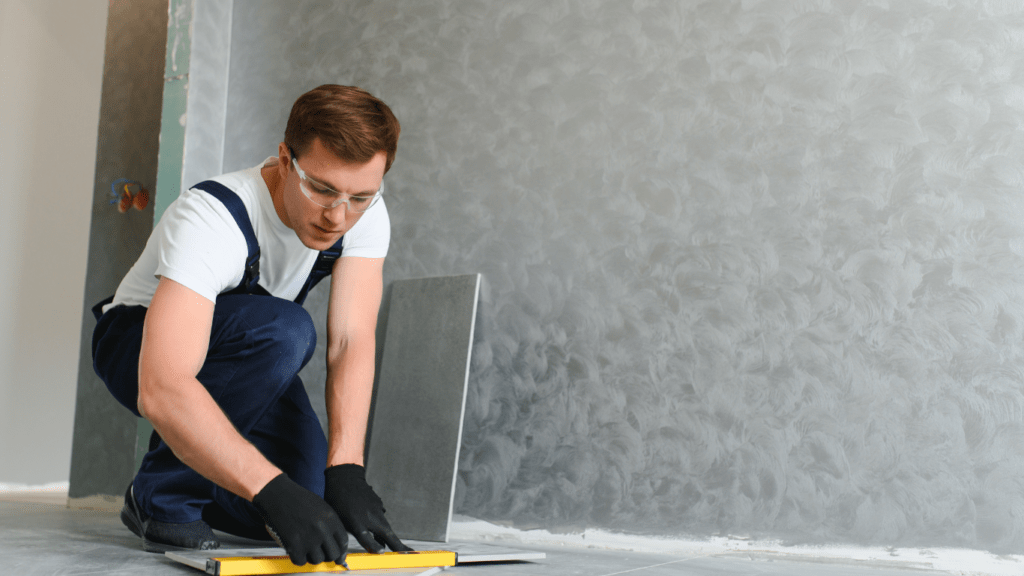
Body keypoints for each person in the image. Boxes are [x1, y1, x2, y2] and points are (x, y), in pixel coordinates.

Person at [90, 85, 409, 567]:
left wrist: (345, 469)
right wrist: (268, 486)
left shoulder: (364, 214)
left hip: (249, 354)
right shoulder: (211, 217)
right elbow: (162, 386)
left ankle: (205, 480)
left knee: (308, 495)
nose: (338, 215)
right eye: (321, 188)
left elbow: (350, 340)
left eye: (360, 196)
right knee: (286, 330)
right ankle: (159, 497)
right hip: (138, 346)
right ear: (286, 159)